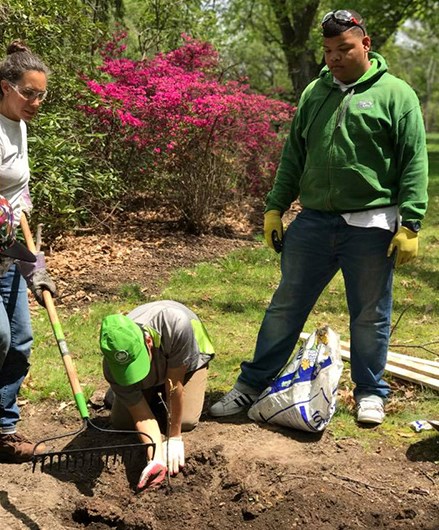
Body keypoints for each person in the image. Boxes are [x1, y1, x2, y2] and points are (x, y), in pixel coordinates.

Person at [209, 9, 428, 425]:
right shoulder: (314, 92)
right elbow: (294, 155)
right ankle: (251, 386)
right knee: (285, 306)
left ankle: (370, 393)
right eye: (328, 50)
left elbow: (413, 161)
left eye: (344, 48)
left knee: (369, 314)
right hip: (313, 222)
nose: (334, 57)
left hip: (372, 225)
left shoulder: (397, 95)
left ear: (365, 44)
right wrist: (275, 207)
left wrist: (411, 222)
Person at [0, 40, 57, 462]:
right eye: (28, 93)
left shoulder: (17, 123)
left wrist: (32, 260)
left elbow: (19, 194)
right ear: (5, 87)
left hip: (6, 253)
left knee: (20, 340)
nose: (36, 102)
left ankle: (4, 429)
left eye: (42, 94)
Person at [100, 300, 215, 489]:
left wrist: (174, 436)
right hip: (156, 366)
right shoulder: (111, 366)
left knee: (186, 421)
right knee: (122, 422)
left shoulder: (176, 324)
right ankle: (132, 391)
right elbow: (141, 416)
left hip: (187, 362)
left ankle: (149, 391)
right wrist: (156, 457)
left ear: (148, 341)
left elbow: (174, 385)